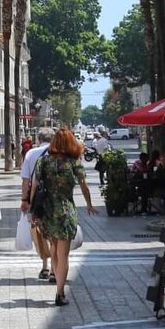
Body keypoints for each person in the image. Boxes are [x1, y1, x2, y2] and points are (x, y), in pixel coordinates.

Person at [32, 128, 98, 306]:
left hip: (47, 210)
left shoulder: (43, 161)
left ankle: (56, 278)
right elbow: (84, 186)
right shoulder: (74, 162)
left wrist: (33, 210)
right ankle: (60, 293)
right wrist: (90, 204)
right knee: (64, 255)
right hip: (66, 210)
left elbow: (35, 186)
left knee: (54, 249)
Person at [19, 127, 55, 281]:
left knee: (40, 232)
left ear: (38, 139)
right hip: (56, 199)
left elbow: (26, 180)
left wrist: (25, 199)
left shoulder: (31, 154)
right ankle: (55, 269)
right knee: (55, 234)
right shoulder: (59, 153)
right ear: (52, 139)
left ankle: (45, 266)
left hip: (38, 199)